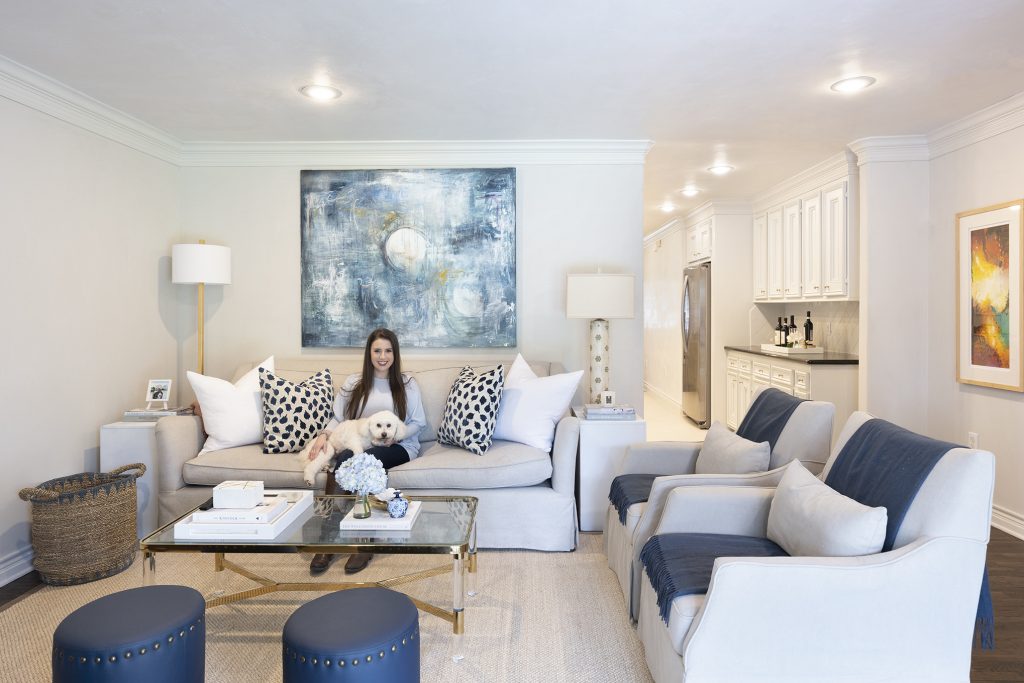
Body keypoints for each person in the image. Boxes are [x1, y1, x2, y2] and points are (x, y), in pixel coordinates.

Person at [306, 328, 426, 575]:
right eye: (377, 350)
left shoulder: (407, 384)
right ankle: (330, 536)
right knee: (349, 458)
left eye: (388, 351)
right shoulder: (354, 383)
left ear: (395, 354)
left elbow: (418, 422)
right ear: (369, 353)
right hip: (360, 444)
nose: (383, 356)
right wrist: (322, 436)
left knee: (361, 462)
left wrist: (395, 436)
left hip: (400, 447)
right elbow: (337, 417)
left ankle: (364, 540)